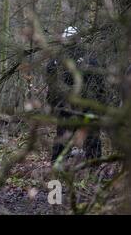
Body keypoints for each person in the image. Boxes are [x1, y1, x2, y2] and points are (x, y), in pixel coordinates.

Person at [46, 26, 106, 162]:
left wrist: (52, 104)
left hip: (67, 106)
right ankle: (93, 165)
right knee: (90, 134)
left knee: (67, 135)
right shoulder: (88, 58)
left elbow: (51, 86)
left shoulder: (57, 60)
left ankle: (58, 164)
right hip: (82, 106)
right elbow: (100, 84)